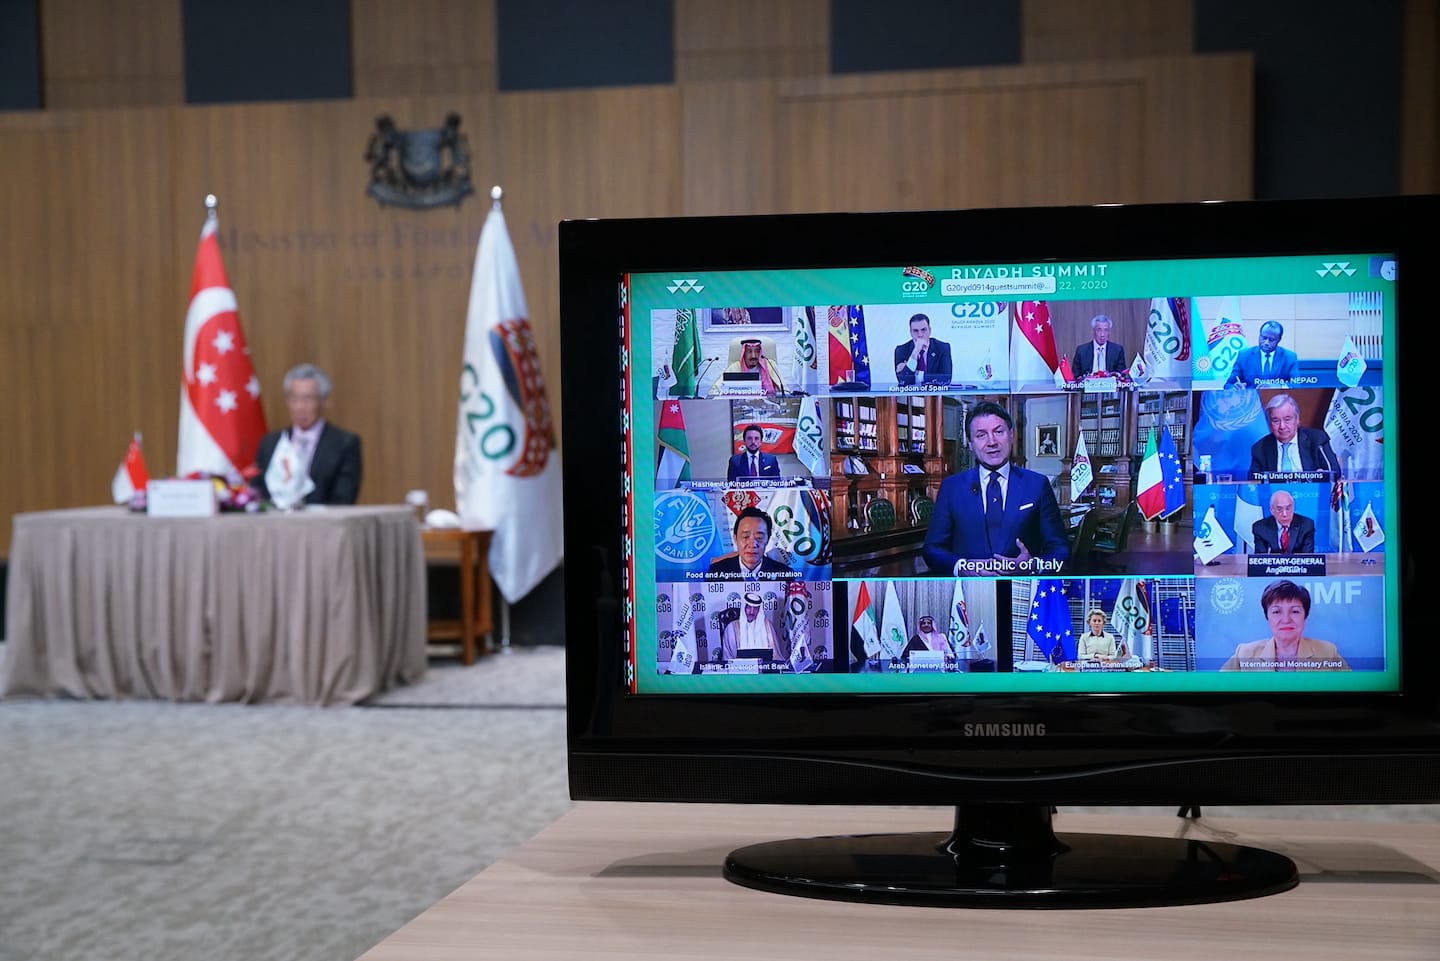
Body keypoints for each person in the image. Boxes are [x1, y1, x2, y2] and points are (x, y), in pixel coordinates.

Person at [922, 401, 1070, 576]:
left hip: (1021, 591)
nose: (991, 442)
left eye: (998, 432)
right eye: (981, 435)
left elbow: (1061, 550)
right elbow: (932, 550)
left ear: (1011, 435)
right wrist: (963, 567)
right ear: (970, 444)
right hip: (969, 594)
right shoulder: (952, 487)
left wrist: (1032, 565)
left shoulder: (1037, 485)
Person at [253, 363, 362, 505]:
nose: (300, 407)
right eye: (294, 399)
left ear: (324, 400)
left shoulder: (344, 443)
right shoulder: (270, 443)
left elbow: (344, 498)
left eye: (308, 399)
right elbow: (258, 492)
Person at [1220, 579, 1350, 671]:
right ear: (1267, 617)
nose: (1286, 619)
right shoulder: (1244, 654)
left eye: (1294, 611)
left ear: (1305, 616)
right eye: (1277, 611)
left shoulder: (1328, 652)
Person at [1248, 393, 1340, 477]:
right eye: (1276, 421)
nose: (1282, 426)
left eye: (1287, 419)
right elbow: (1253, 481)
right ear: (1269, 423)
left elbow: (1335, 472)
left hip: (1311, 493)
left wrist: (1324, 475)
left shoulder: (1317, 440)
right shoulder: (1260, 448)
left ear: (1297, 420)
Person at [707, 506, 796, 577]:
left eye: (759, 537)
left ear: (768, 540)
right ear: (735, 539)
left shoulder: (785, 574)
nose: (753, 544)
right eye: (745, 536)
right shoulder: (716, 572)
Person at [1225, 320, 1298, 387]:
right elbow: (1228, 384)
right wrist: (1236, 387)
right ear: (1259, 335)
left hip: (1278, 399)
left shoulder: (1290, 357)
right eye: (1264, 338)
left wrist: (1278, 387)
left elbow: (1297, 385)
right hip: (1251, 399)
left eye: (1271, 340)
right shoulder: (1244, 356)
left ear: (1279, 340)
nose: (1266, 343)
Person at [892, 313, 952, 386]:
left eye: (923, 330)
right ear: (910, 332)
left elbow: (946, 379)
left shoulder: (942, 348)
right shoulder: (901, 350)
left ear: (930, 330)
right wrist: (916, 351)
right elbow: (903, 381)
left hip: (934, 395)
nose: (920, 334)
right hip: (910, 395)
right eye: (915, 331)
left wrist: (918, 375)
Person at [720, 591, 784, 660]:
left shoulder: (768, 626)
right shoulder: (731, 628)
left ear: (759, 610)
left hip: (764, 668)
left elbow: (775, 655)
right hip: (740, 669)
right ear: (744, 608)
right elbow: (728, 658)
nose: (752, 612)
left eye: (755, 608)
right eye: (749, 607)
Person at [710, 337, 784, 396]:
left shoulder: (770, 365)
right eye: (749, 351)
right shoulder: (734, 367)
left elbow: (785, 390)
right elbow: (714, 390)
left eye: (757, 351)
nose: (753, 355)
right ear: (743, 353)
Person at [1251, 490, 1316, 555]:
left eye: (1288, 508)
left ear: (1294, 508)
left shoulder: (1306, 525)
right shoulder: (1260, 528)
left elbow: (1308, 558)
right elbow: (1260, 559)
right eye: (1279, 509)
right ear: (1271, 510)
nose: (1284, 514)